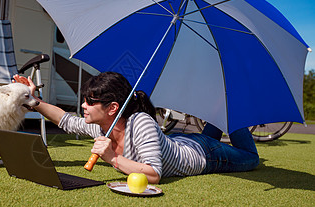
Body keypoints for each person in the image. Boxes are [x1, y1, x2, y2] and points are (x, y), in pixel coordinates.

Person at [14, 72, 259, 184]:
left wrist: (111, 158)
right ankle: (223, 108)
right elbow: (66, 120)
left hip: (205, 156)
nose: (83, 106)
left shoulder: (140, 121)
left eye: (90, 101)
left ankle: (231, 101)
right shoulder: (103, 127)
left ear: (112, 108)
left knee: (251, 158)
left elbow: (153, 175)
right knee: (213, 130)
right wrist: (34, 101)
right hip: (177, 141)